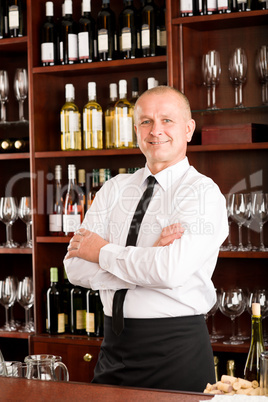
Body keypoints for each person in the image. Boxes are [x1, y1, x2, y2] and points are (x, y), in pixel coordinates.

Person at [64, 86, 228, 392]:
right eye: (146, 122)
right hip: (112, 347)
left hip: (175, 350)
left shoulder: (203, 194)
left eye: (167, 120)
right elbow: (74, 266)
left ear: (189, 129)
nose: (156, 131)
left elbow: (169, 271)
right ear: (136, 129)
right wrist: (144, 260)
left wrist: (100, 251)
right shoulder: (114, 189)